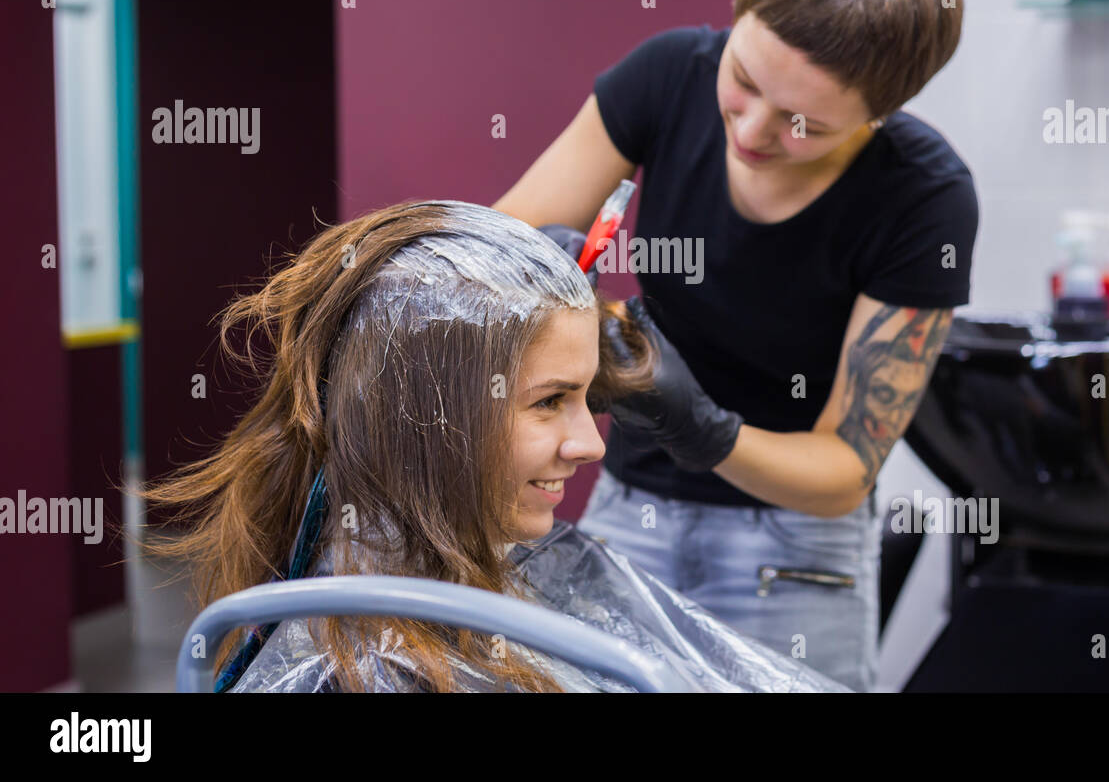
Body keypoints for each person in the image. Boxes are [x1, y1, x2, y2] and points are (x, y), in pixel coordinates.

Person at [494, 0, 979, 691]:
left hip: (798, 552)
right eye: (744, 79)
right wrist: (536, 269)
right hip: (631, 515)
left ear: (879, 115)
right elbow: (503, 245)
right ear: (740, 5)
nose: (753, 131)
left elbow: (847, 465)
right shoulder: (668, 75)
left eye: (804, 124)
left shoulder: (924, 200)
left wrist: (706, 431)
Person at [137, 199, 849, 692]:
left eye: (586, 397)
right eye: (550, 402)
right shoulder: (358, 672)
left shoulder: (511, 578)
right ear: (425, 414)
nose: (589, 445)